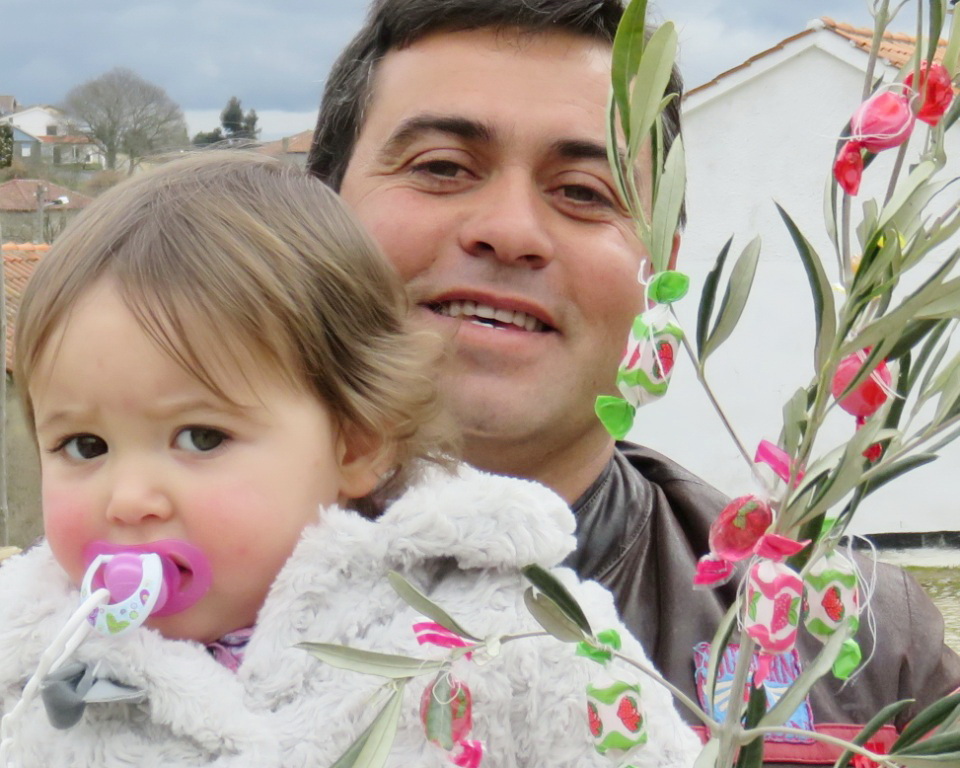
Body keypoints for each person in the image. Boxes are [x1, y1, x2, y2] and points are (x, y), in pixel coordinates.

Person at [307, 0, 960, 759]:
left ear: (664, 268)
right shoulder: (190, 597)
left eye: (584, 191)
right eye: (442, 168)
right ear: (315, 209)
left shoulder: (861, 650)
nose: (510, 231)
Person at [0, 152, 697, 767]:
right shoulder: (28, 658)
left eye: (201, 438)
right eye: (83, 446)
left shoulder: (507, 636)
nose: (128, 498)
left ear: (356, 442)